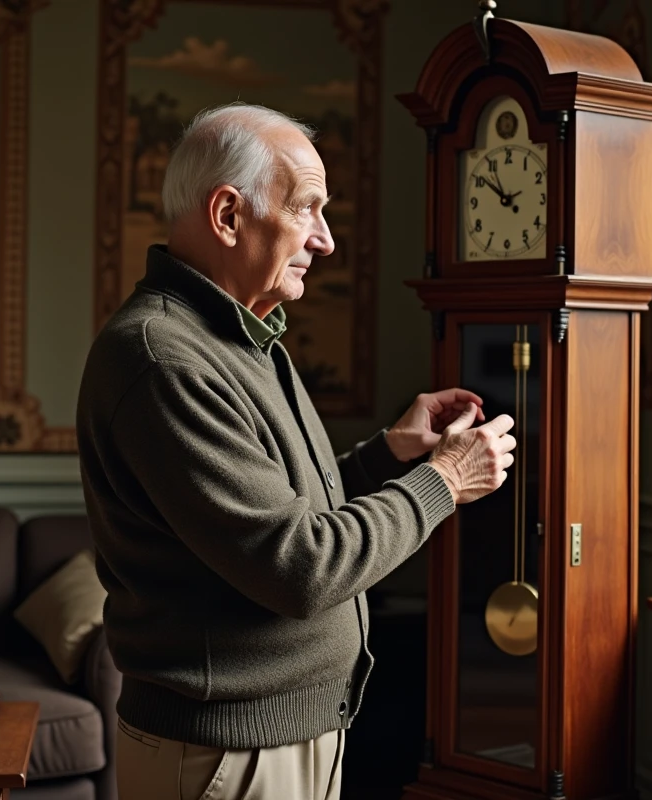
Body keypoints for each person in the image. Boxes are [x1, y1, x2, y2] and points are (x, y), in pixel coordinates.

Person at [76, 102, 516, 800]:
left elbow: (262, 520)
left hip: (271, 742)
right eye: (308, 209)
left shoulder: (235, 337)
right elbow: (301, 567)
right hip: (226, 754)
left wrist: (388, 455)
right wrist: (443, 481)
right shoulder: (164, 360)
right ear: (228, 216)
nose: (327, 240)